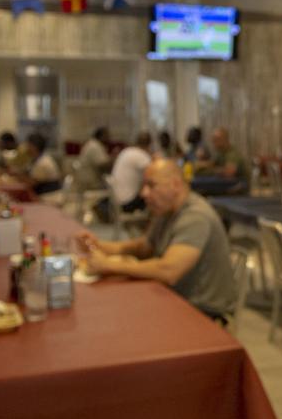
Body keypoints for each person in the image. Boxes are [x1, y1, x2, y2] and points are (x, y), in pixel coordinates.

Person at [76, 159, 235, 321]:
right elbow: (144, 247)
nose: (144, 193)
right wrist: (99, 246)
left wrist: (109, 265)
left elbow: (169, 271)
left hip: (205, 314)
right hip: (175, 301)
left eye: (151, 186)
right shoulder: (166, 210)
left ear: (175, 185)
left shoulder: (196, 217)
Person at [109, 131, 152, 212]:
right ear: (149, 144)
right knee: (159, 196)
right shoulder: (141, 155)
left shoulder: (126, 151)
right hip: (128, 202)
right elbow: (155, 173)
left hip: (117, 201)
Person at [76, 126, 113, 191]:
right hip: (91, 184)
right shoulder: (95, 146)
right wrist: (114, 159)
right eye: (107, 136)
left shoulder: (92, 144)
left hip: (89, 182)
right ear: (101, 136)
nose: (109, 138)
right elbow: (103, 166)